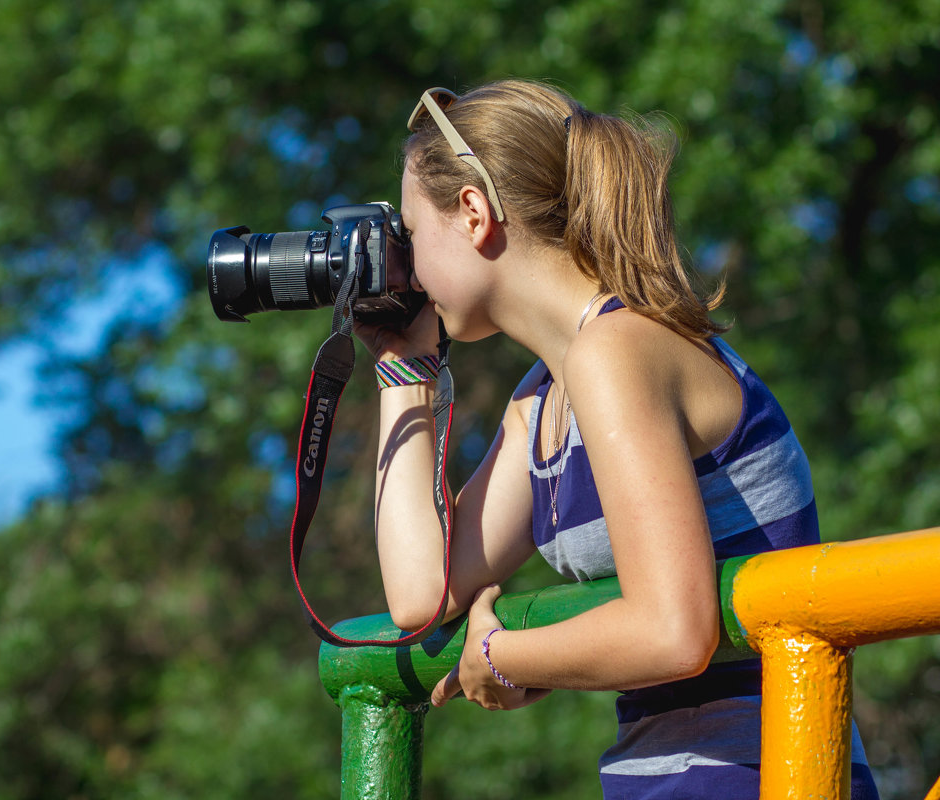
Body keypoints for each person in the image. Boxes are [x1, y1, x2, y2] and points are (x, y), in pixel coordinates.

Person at [355, 80, 879, 799]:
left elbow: (673, 629)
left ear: (473, 213)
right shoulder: (542, 400)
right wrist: (404, 373)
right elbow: (422, 591)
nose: (408, 271)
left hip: (754, 775)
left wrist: (504, 655)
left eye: (412, 237)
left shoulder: (618, 351)